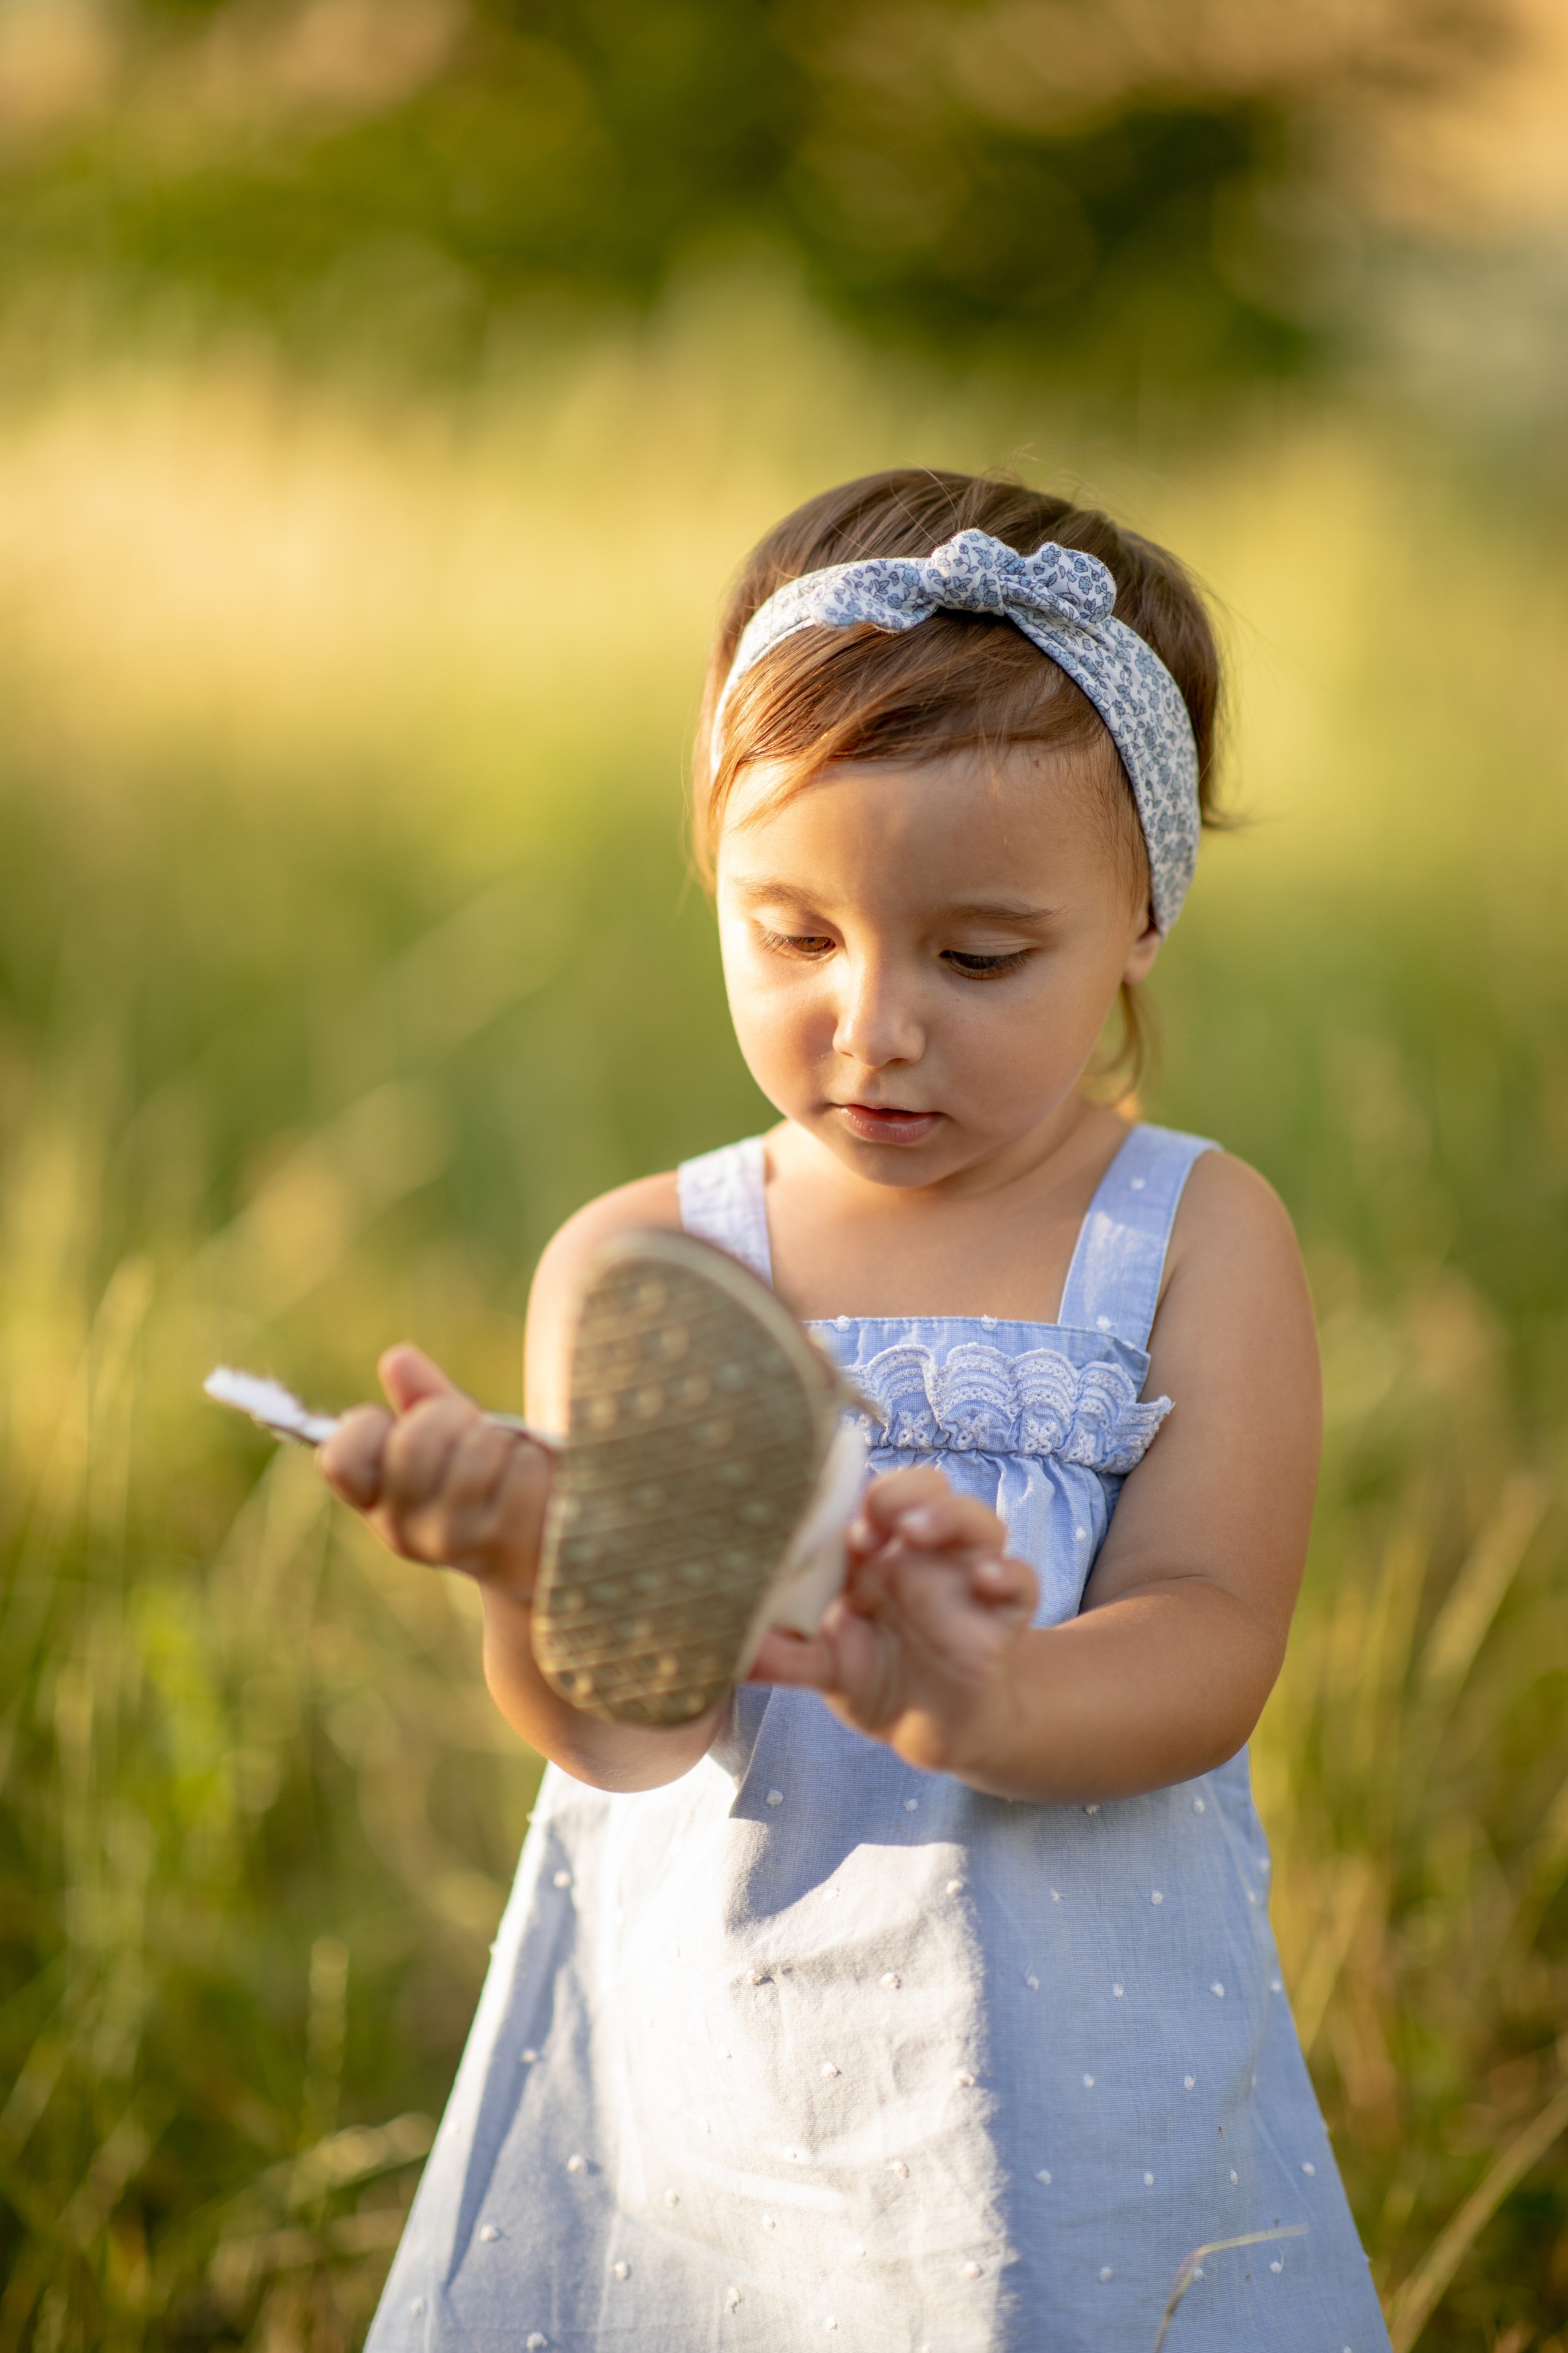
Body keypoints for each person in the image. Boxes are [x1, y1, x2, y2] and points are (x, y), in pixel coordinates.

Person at [323, 470, 1392, 2349]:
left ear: (1140, 914)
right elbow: (632, 1729)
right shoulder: (652, 1266)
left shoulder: (1193, 1238)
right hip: (719, 2074)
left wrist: (993, 1698)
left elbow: (1216, 1633)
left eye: (978, 957)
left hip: (1080, 2057)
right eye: (793, 933)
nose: (874, 1024)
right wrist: (527, 1568)